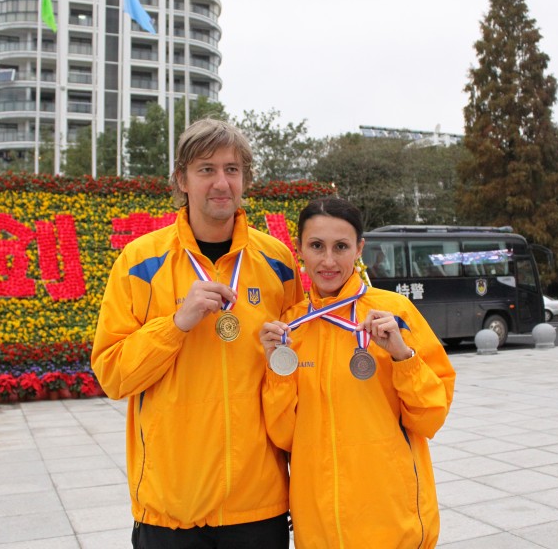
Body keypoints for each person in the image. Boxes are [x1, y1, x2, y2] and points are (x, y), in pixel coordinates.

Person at [92, 118, 304, 548]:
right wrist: (176, 324)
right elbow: (112, 374)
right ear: (181, 180)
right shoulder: (139, 261)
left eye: (232, 169)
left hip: (258, 504)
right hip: (172, 506)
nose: (221, 182)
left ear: (245, 178)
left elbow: (300, 365)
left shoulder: (278, 262)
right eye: (206, 169)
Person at [260, 197, 456, 548]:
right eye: (317, 246)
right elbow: (285, 435)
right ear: (300, 248)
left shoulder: (394, 313)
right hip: (319, 524)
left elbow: (431, 417)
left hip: (391, 519)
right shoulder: (291, 327)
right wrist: (277, 368)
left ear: (359, 248)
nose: (329, 261)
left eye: (341, 247)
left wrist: (402, 356)